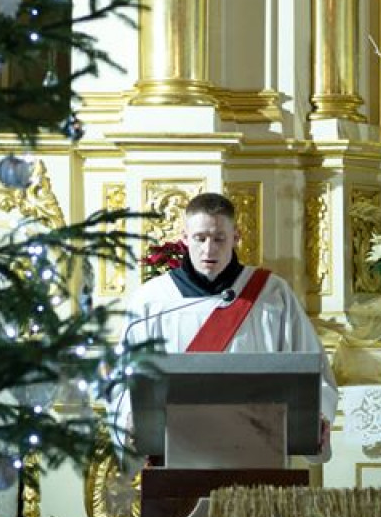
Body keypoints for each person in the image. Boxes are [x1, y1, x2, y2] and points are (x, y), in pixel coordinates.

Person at [110, 192, 338, 464]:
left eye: (219, 238)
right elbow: (123, 379)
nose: (209, 250)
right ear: (184, 237)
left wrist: (316, 420)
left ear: (236, 237)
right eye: (200, 238)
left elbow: (313, 371)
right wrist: (130, 420)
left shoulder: (270, 293)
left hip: (258, 451)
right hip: (175, 454)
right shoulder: (152, 300)